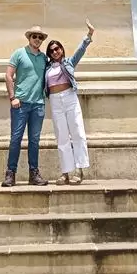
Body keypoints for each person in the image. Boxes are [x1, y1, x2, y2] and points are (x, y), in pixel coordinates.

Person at [44, 19, 95, 184]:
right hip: (55, 100)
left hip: (69, 97)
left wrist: (89, 35)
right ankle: (65, 172)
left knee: (77, 132)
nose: (55, 52)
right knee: (62, 137)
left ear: (61, 49)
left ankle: (79, 170)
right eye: (51, 50)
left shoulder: (69, 62)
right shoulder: (46, 68)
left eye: (57, 48)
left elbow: (81, 50)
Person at [4, 25, 52, 187]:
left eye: (40, 37)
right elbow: (8, 76)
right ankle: (10, 173)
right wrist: (12, 97)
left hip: (38, 105)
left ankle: (34, 174)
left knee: (34, 141)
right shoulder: (19, 53)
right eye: (34, 36)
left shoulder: (44, 58)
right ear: (29, 38)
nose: (37, 39)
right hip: (20, 104)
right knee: (16, 139)